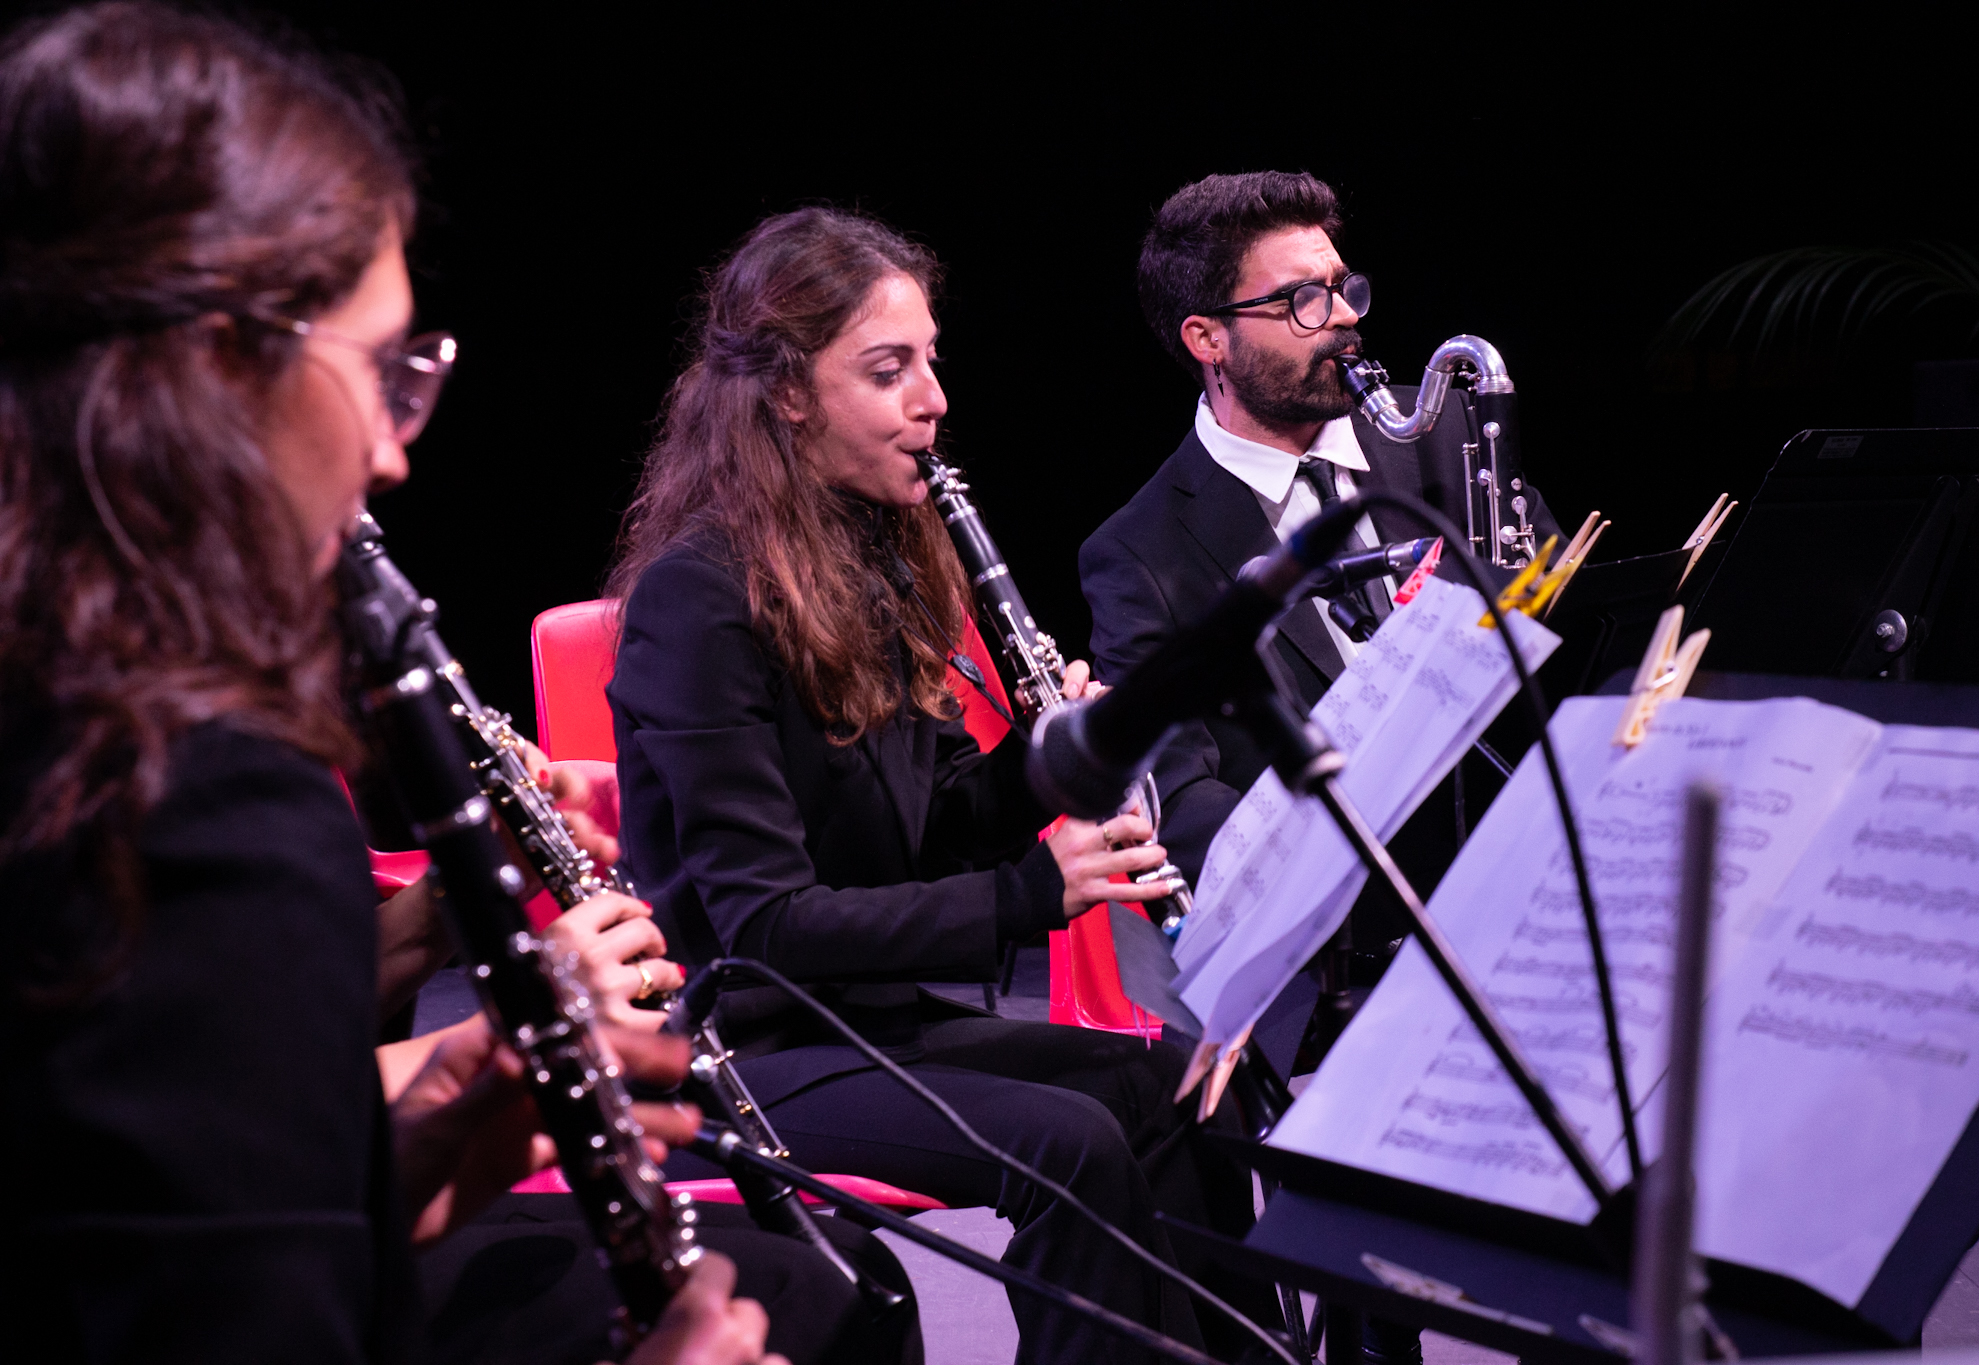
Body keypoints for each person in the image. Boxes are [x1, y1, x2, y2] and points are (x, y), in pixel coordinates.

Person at [0, 6, 862, 1362]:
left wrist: (396, 1134)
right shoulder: (188, 788)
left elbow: (123, 1200)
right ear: (215, 366)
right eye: (380, 371)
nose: (394, 452)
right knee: (813, 1302)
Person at [606, 206, 1275, 1365]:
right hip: (744, 1051)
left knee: (1175, 1083)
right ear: (787, 394)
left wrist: (1062, 753)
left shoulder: (880, 561)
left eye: (929, 361)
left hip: (876, 1023)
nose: (933, 399)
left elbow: (942, 822)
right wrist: (1031, 895)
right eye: (887, 371)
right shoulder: (698, 598)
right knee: (1071, 1145)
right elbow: (765, 928)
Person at [1082, 170, 1565, 899]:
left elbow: (1563, 600)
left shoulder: (1446, 434)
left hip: (1532, 861)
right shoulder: (1137, 553)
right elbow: (1181, 799)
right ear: (1208, 338)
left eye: (1342, 287)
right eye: (1302, 299)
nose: (1342, 315)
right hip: (1353, 923)